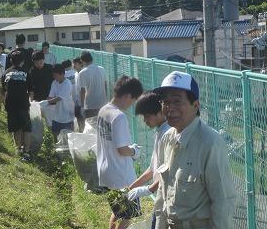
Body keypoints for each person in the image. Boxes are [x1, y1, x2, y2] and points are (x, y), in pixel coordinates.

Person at [153, 71, 236, 229]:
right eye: (165, 102)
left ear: (195, 105)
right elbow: (162, 195)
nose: (170, 108)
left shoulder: (210, 142)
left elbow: (222, 202)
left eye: (177, 101)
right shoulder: (166, 138)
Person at [96, 76, 143, 229]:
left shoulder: (103, 110)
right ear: (128, 95)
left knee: (117, 211)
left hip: (106, 171)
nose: (132, 104)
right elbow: (122, 149)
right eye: (134, 100)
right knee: (128, 215)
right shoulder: (119, 116)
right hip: (121, 175)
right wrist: (135, 151)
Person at [127, 92, 171, 229]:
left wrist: (149, 189)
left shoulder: (169, 133)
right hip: (160, 196)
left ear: (160, 112)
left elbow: (169, 168)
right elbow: (153, 169)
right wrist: (131, 187)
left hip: (168, 198)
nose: (145, 120)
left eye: (147, 116)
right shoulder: (160, 132)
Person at [2, 51, 34, 161]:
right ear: (22, 61)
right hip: (23, 104)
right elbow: (30, 91)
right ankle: (27, 152)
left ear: (11, 61)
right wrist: (31, 102)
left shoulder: (6, 73)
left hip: (10, 104)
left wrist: (2, 103)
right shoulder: (26, 73)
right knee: (27, 128)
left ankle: (18, 149)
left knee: (16, 128)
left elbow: (3, 91)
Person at [40, 63, 74, 142]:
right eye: (53, 75)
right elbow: (51, 96)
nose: (54, 77)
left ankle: (67, 152)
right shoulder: (54, 83)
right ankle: (57, 149)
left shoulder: (67, 84)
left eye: (56, 75)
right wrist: (46, 101)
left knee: (67, 136)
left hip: (67, 116)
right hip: (56, 115)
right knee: (55, 133)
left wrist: (47, 102)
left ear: (62, 74)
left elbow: (59, 98)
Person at [78, 51, 107, 118]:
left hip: (90, 105)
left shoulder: (82, 73)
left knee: (91, 127)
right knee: (101, 126)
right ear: (92, 59)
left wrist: (82, 106)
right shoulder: (102, 69)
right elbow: (105, 86)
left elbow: (82, 91)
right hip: (102, 104)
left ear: (83, 61)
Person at [73, 57, 85, 132]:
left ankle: (83, 132)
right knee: (78, 118)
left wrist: (83, 105)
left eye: (75, 64)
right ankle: (80, 132)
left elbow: (83, 90)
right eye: (73, 63)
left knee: (83, 119)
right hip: (77, 100)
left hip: (83, 102)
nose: (73, 65)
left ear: (81, 64)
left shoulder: (83, 74)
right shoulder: (76, 74)